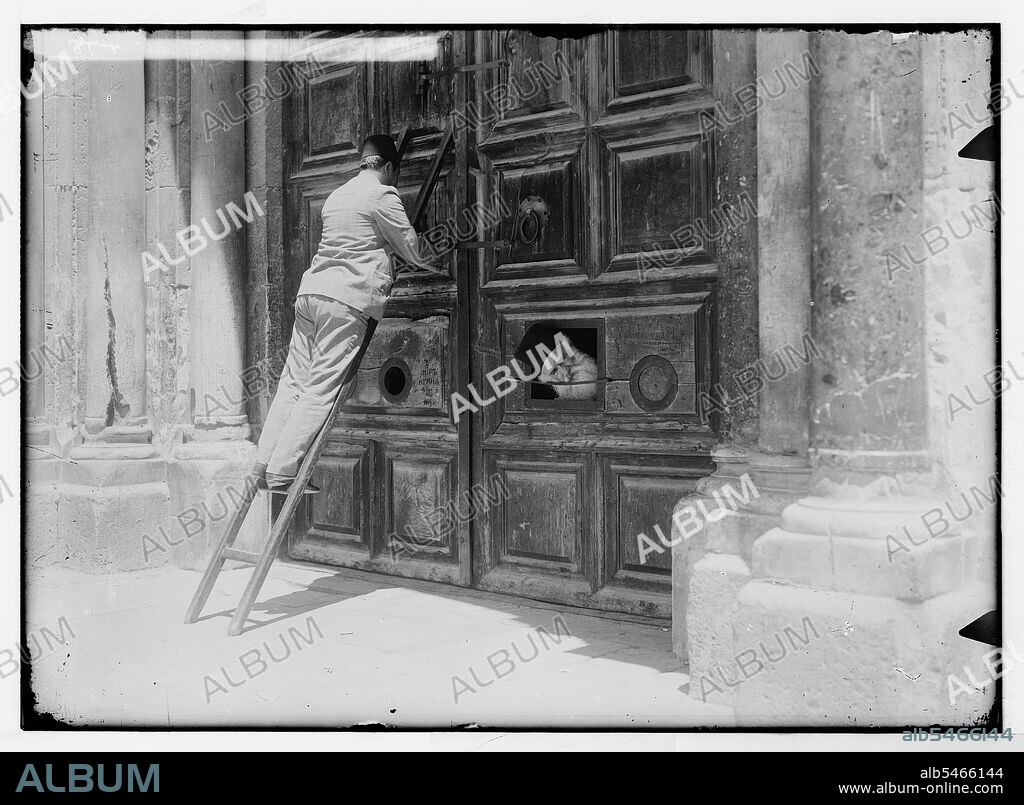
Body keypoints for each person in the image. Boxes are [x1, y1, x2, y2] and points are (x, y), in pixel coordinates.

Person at [252, 134, 440, 492]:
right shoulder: (382, 194)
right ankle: (282, 472)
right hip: (345, 301)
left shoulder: (337, 195)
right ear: (387, 167)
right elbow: (411, 249)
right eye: (395, 174)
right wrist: (437, 258)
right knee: (321, 388)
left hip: (311, 294)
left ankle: (263, 465)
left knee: (293, 382)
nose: (395, 182)